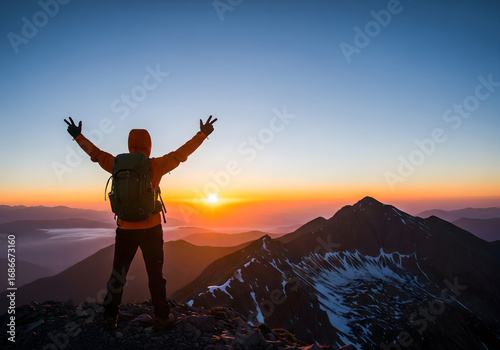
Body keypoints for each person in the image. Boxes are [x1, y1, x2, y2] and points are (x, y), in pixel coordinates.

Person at [64, 116, 217, 330]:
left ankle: (110, 317)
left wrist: (78, 136)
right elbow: (182, 154)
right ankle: (162, 317)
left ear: (130, 144)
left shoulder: (116, 163)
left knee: (118, 274)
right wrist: (202, 135)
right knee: (155, 276)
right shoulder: (156, 165)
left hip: (125, 229)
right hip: (151, 229)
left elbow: (96, 155)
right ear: (149, 145)